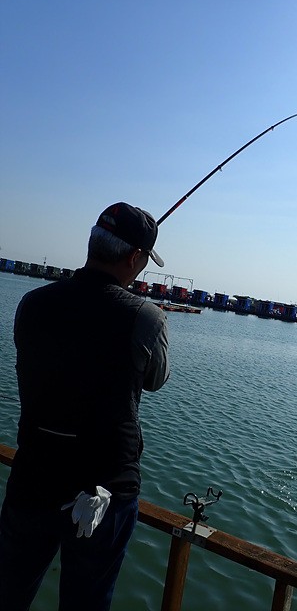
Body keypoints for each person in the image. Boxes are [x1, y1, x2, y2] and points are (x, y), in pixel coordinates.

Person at [0, 202, 170, 611]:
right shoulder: (145, 317)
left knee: (7, 593)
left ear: (93, 243)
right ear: (134, 258)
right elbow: (155, 379)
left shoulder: (32, 303)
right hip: (104, 491)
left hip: (33, 476)